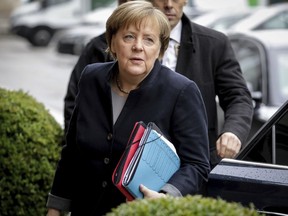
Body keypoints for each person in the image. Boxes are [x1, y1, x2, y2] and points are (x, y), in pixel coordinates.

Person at [47, 1, 210, 215]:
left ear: (160, 49)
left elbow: (197, 165)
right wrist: (56, 207)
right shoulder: (91, 78)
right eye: (129, 37)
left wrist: (165, 196)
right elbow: (72, 152)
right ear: (112, 42)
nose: (138, 46)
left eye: (149, 40)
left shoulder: (181, 91)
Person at [64, 0, 254, 168]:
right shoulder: (104, 44)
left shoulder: (214, 44)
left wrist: (233, 131)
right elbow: (78, 107)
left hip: (192, 168)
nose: (169, 4)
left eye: (149, 40)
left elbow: (238, 95)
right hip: (121, 171)